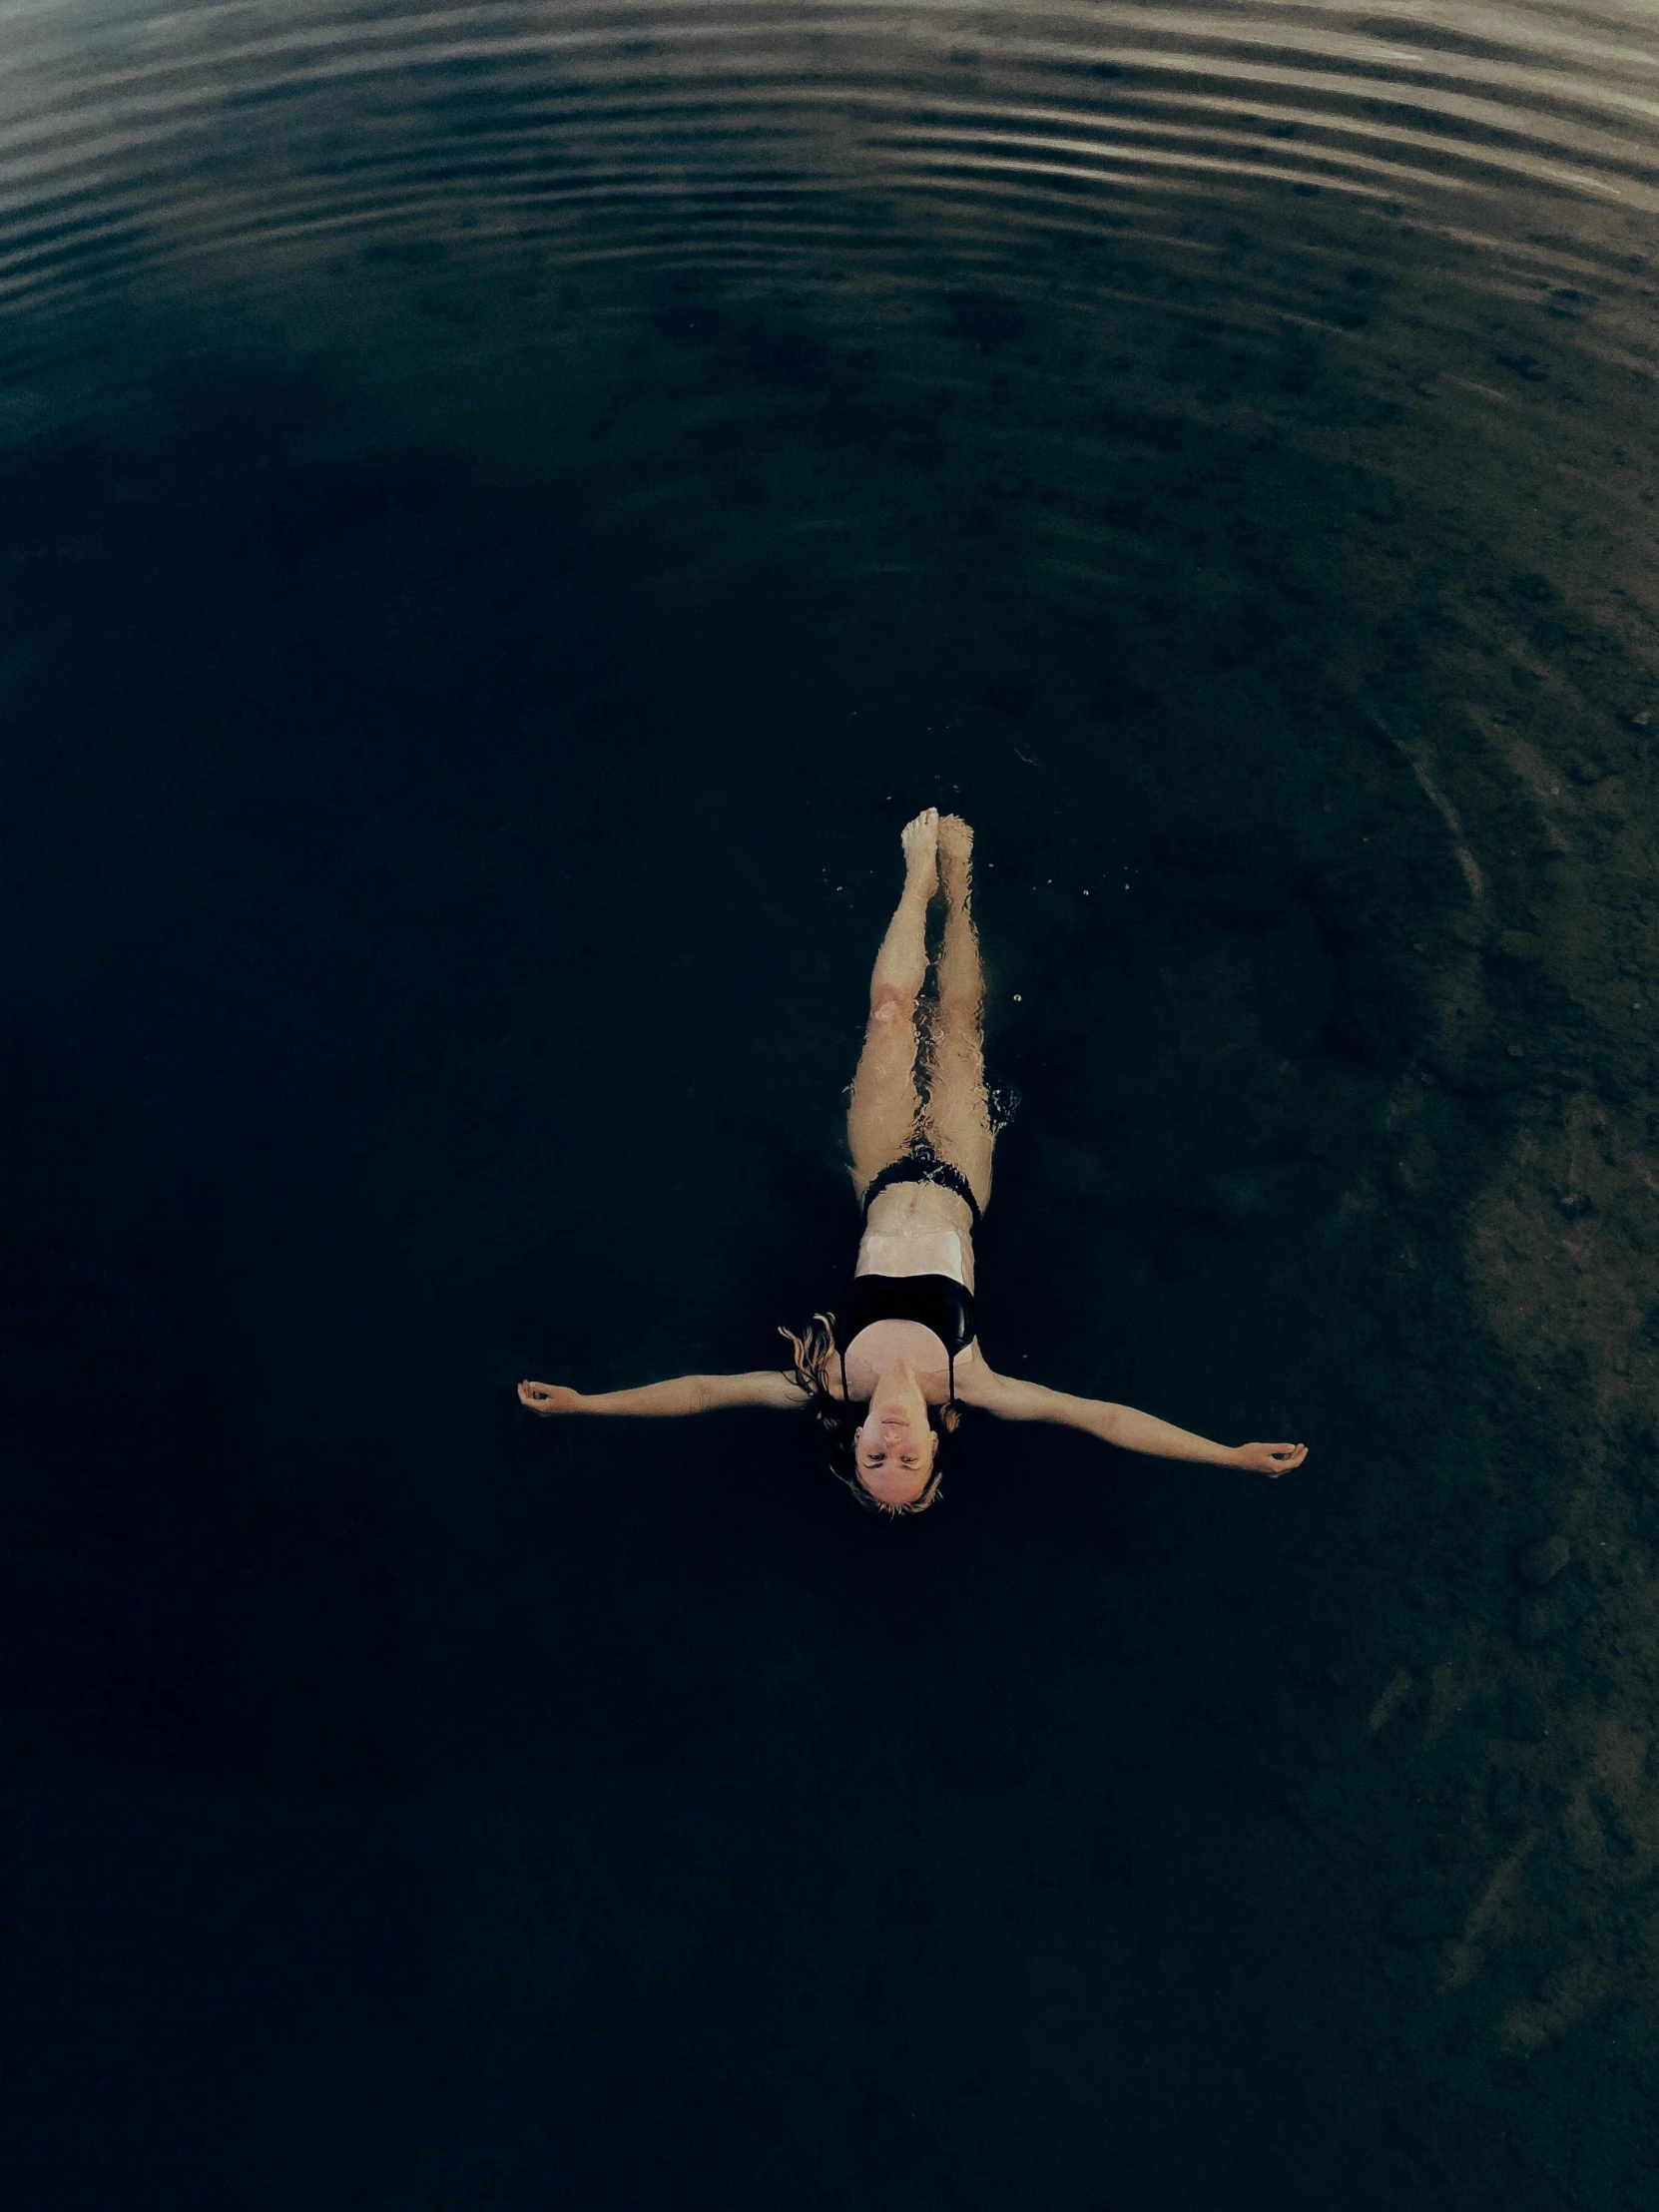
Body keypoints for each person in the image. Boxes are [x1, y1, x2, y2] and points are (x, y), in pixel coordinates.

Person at [519, 809, 1308, 1515]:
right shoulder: (971, 1380)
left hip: (882, 1170)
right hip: (961, 1176)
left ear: (855, 1442)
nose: (891, 1444)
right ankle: (959, 890)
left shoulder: (826, 1379)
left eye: (875, 1458)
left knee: (893, 1016)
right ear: (935, 1444)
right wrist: (1226, 1455)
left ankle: (915, 879)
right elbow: (1102, 1418)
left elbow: (699, 1393)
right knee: (959, 1024)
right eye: (908, 1457)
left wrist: (586, 1405)